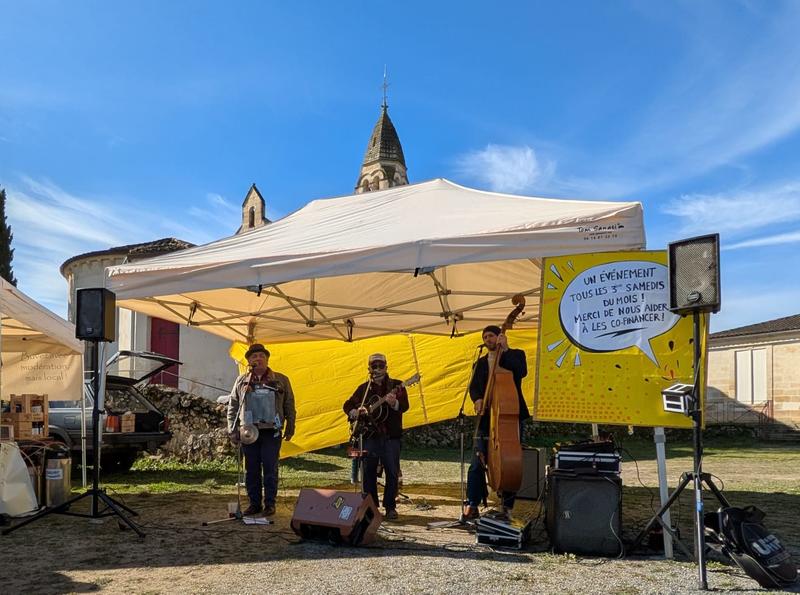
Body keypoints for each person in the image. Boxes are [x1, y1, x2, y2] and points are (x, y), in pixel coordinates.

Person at [464, 325, 529, 520]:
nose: (488, 339)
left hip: (509, 418)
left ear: (499, 336)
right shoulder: (480, 363)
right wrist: (477, 399)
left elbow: (521, 372)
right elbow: (474, 388)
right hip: (486, 419)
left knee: (510, 462)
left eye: (491, 335)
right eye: (485, 337)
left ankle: (506, 507)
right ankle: (472, 503)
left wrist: (506, 350)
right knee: (477, 462)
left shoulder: (515, 354)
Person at [227, 343, 296, 516]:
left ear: (267, 359)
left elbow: (289, 404)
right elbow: (233, 405)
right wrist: (232, 429)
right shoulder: (241, 381)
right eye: (254, 357)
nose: (258, 359)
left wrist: (291, 426)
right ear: (249, 361)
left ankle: (270, 504)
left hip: (271, 430)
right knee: (251, 468)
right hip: (248, 431)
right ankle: (254, 503)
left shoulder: (281, 380)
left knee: (270, 466)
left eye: (261, 356)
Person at [343, 353, 409, 520]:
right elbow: (348, 404)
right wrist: (353, 411)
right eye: (374, 366)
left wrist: (393, 402)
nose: (378, 369)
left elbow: (405, 406)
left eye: (381, 366)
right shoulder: (363, 389)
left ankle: (390, 506)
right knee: (368, 472)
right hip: (369, 436)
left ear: (387, 367)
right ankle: (371, 508)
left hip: (390, 436)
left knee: (392, 472)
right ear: (369, 368)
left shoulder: (397, 386)